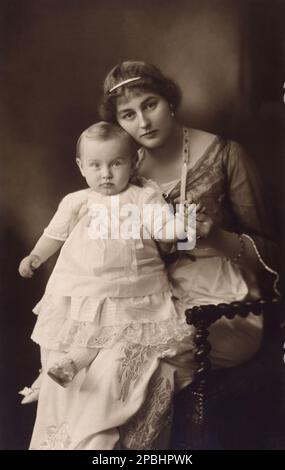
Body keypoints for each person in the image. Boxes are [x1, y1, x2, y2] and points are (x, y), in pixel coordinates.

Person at [19, 121, 197, 449]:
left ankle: (77, 362)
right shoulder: (77, 201)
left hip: (135, 288)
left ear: (135, 161)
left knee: (121, 332)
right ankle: (72, 362)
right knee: (90, 327)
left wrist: (182, 225)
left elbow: (163, 229)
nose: (106, 174)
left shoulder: (144, 196)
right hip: (86, 287)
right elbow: (54, 234)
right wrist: (35, 256)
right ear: (81, 167)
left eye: (116, 163)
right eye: (96, 165)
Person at [100, 60, 280, 372]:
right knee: (95, 359)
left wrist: (216, 237)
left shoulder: (226, 156)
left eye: (150, 105)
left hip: (224, 307)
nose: (143, 122)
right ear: (119, 123)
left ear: (169, 100)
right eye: (129, 115)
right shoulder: (125, 173)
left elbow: (274, 256)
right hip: (154, 303)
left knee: (123, 360)